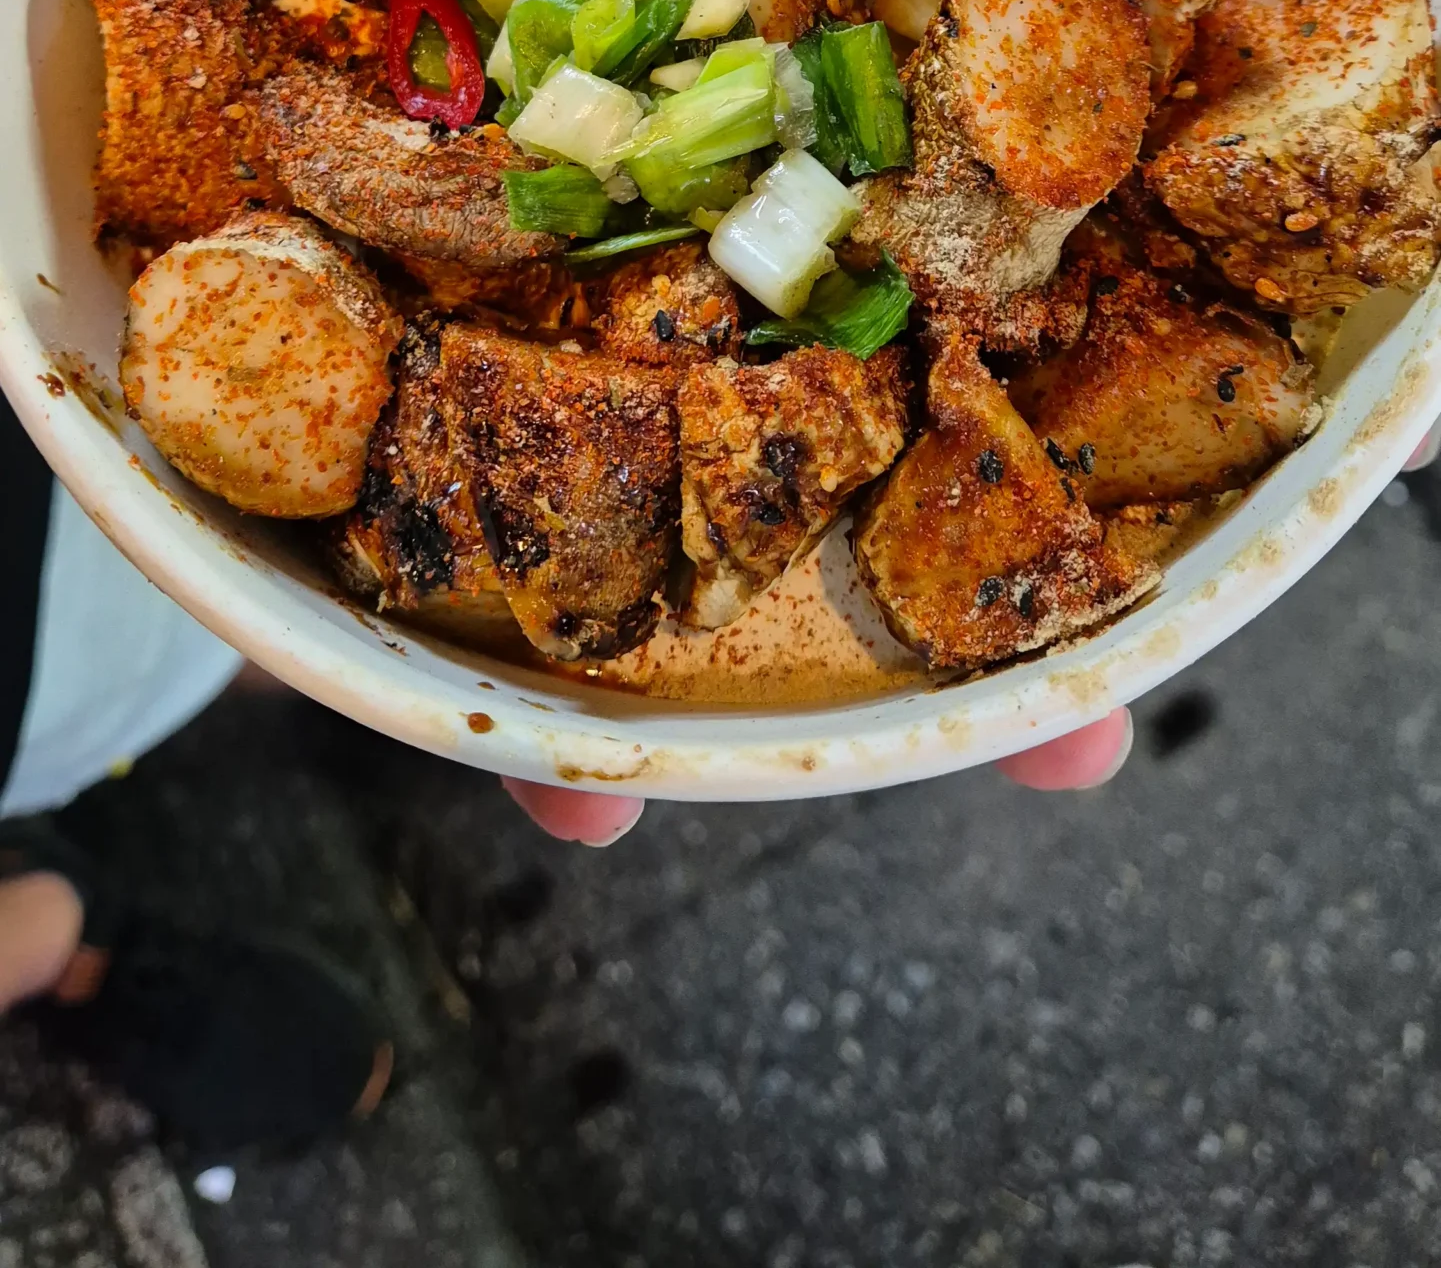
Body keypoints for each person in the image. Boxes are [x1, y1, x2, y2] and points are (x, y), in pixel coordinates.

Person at [0, 393, 1136, 1152]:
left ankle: (328, 679)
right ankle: (325, 680)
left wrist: (63, 921)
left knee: (268, 628)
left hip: (96, 553)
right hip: (93, 598)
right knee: (260, 631)